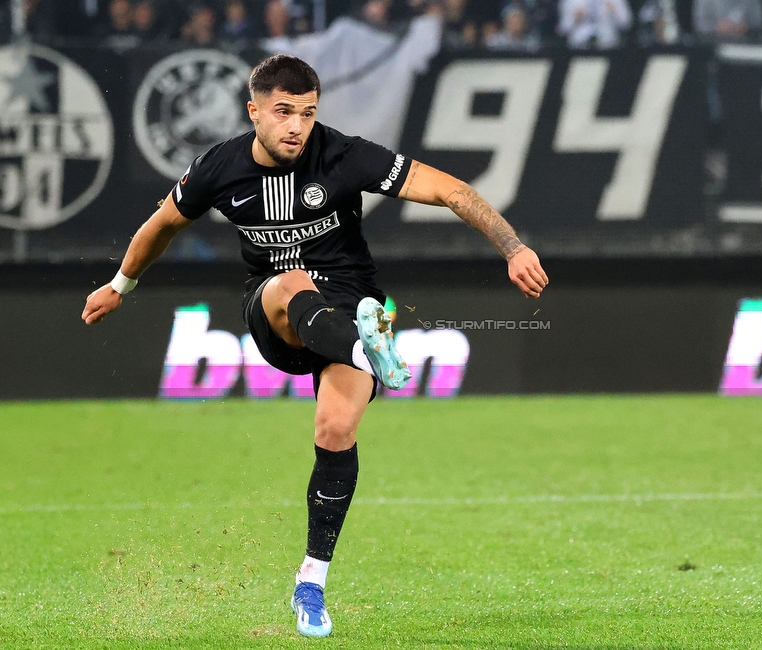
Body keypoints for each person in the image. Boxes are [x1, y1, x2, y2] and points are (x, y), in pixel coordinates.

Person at [81, 54, 548, 638]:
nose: (296, 125)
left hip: (351, 306)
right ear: (254, 112)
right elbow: (163, 225)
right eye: (283, 112)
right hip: (275, 313)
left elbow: (450, 190)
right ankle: (366, 352)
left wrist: (513, 247)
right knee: (292, 282)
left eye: (307, 112)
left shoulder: (344, 155)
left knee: (334, 429)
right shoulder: (218, 167)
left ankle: (311, 581)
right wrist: (120, 284)